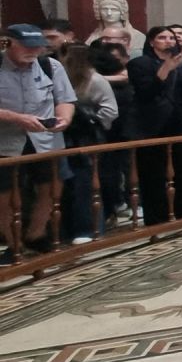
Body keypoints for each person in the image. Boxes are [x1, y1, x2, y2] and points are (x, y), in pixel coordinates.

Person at [0, 24, 76, 262]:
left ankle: (36, 233)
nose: (33, 52)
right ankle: (14, 244)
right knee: (5, 195)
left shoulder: (50, 66)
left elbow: (65, 99)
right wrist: (16, 118)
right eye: (26, 46)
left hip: (46, 138)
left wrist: (65, 118)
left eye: (37, 47)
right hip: (6, 140)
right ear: (9, 43)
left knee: (52, 186)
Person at [124, 26, 182, 225]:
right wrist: (165, 69)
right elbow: (146, 93)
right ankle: (157, 219)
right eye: (162, 37)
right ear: (152, 42)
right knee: (154, 175)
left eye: (172, 38)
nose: (169, 41)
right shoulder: (139, 64)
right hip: (153, 127)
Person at [59, 43, 118, 243]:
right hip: (63, 137)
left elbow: (110, 111)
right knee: (65, 185)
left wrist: (88, 119)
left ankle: (90, 228)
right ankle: (66, 229)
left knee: (85, 184)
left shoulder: (96, 80)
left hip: (87, 138)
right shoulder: (59, 78)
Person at [89, 37, 133, 221]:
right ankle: (110, 208)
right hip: (103, 133)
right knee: (106, 173)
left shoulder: (103, 82)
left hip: (119, 130)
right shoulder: (99, 81)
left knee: (120, 170)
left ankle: (117, 205)